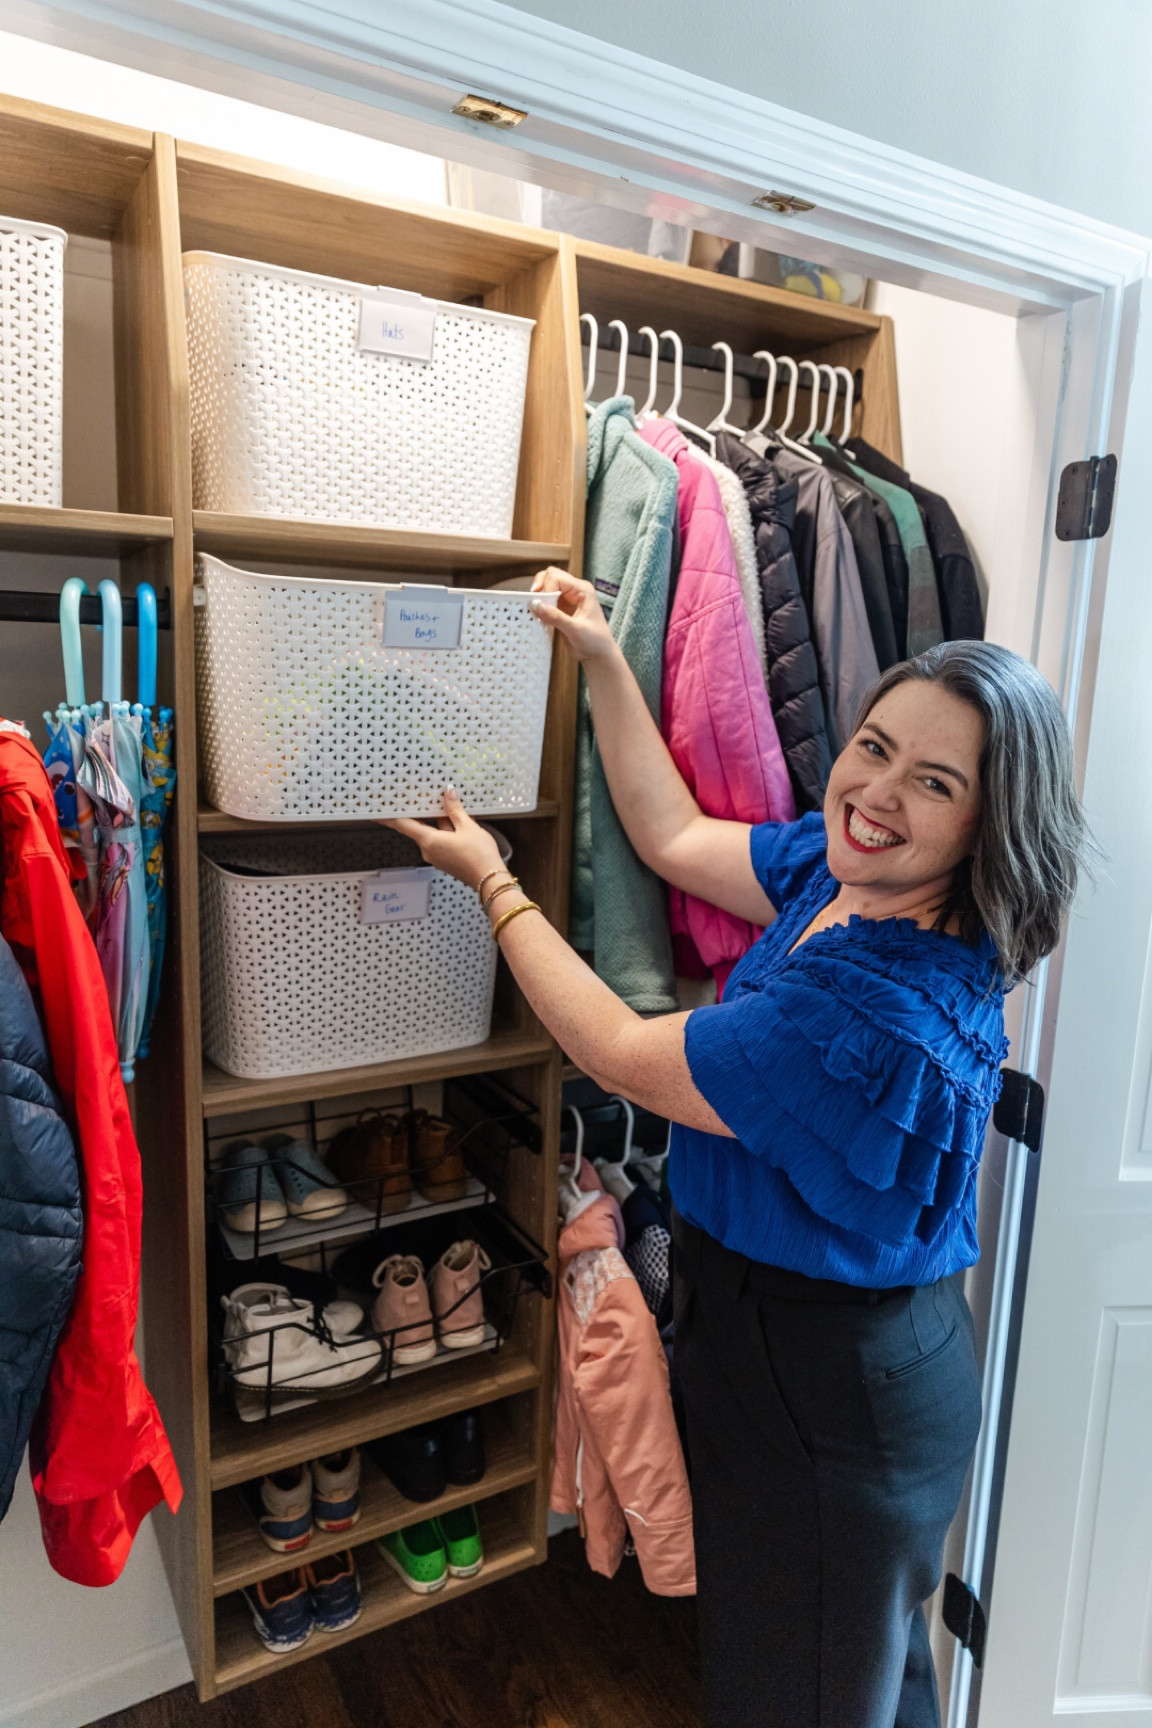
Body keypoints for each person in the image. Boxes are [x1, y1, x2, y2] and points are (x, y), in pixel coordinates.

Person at [387, 567, 1090, 1728]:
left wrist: (495, 884)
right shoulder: (846, 879)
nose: (877, 791)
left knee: (796, 1694)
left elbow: (619, 1050)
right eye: (873, 748)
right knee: (859, 1681)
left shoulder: (868, 1010)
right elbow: (670, 835)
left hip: (834, 1387)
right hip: (787, 1348)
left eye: (934, 781)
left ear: (987, 821)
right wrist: (603, 657)